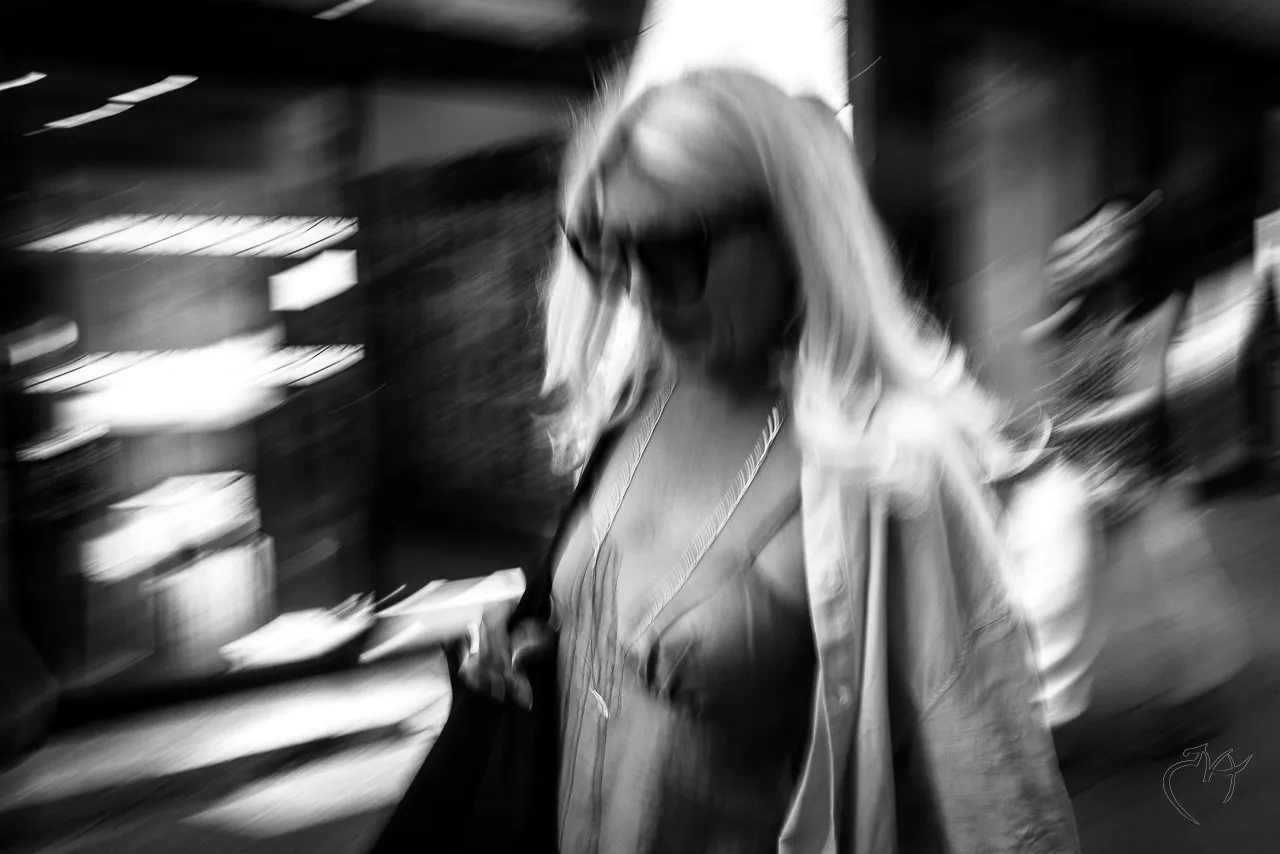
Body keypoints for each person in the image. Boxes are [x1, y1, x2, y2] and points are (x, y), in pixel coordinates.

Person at [453, 67, 1080, 853]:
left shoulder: (884, 461)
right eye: (612, 252)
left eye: (672, 252)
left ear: (792, 227)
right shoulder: (632, 402)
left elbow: (990, 787)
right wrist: (536, 647)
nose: (639, 292)